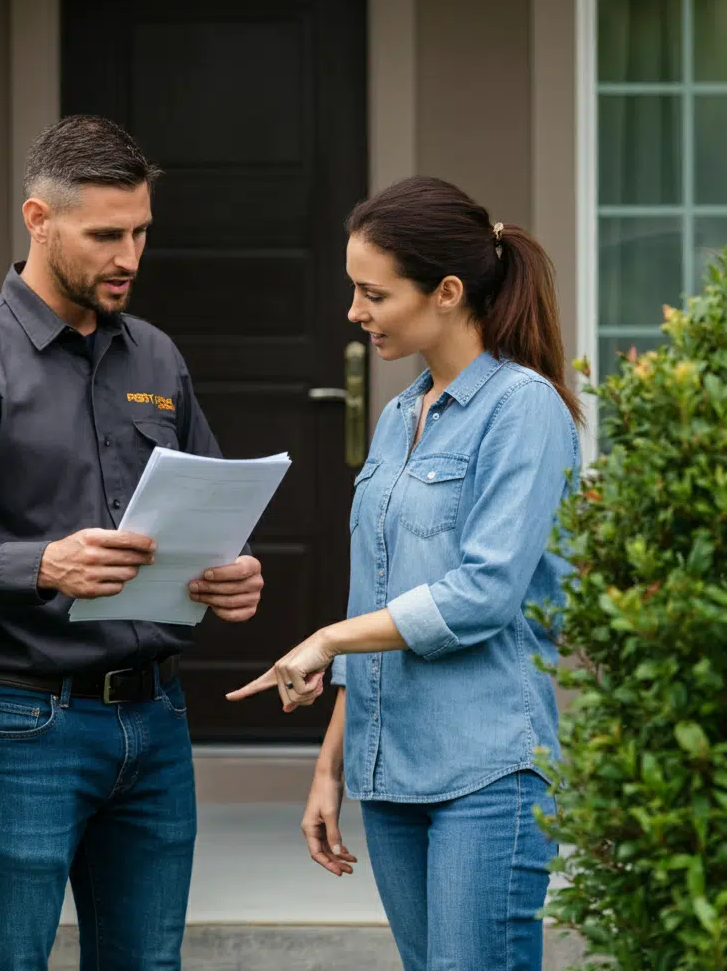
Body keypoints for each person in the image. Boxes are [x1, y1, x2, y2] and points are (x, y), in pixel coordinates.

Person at [0, 115, 264, 971]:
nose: (130, 256)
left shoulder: (158, 359)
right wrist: (41, 564)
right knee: (5, 962)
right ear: (38, 221)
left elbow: (210, 515)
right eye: (106, 235)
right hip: (20, 724)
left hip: (155, 720)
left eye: (142, 233)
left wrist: (229, 576)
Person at [228, 176, 583, 970]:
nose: (355, 313)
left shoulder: (523, 411)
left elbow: (485, 594)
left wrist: (325, 638)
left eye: (372, 293)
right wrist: (332, 770)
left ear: (448, 292)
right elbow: (377, 603)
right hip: (391, 779)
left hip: (487, 772)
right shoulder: (398, 417)